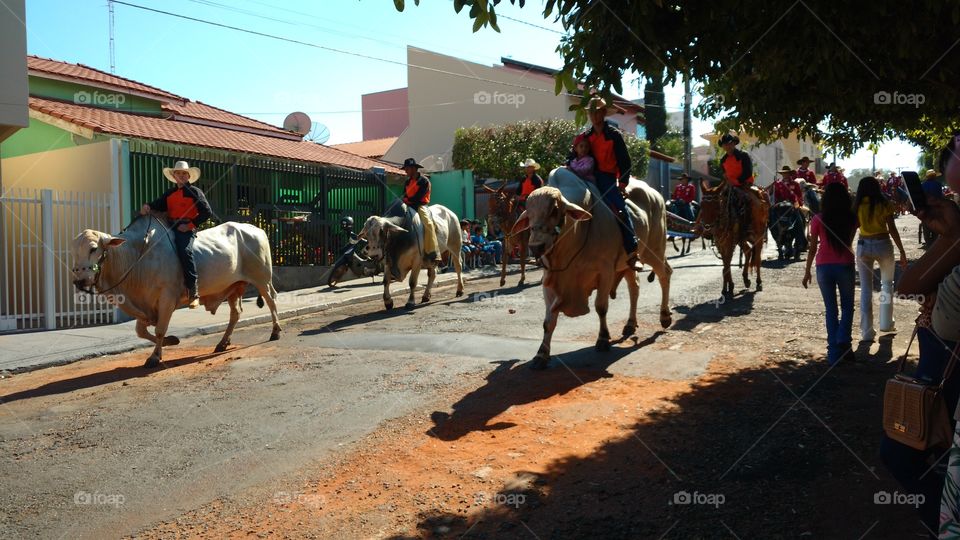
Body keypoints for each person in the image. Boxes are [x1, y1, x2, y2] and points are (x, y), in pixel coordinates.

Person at [888, 137, 960, 537]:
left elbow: (912, 286)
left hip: (948, 360)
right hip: (941, 357)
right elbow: (911, 284)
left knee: (904, 451)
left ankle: (942, 521)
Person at [140, 160, 213, 309]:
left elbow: (207, 212)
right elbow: (158, 204)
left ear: (188, 176)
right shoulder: (170, 193)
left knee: (184, 252)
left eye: (183, 173)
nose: (181, 175)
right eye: (178, 173)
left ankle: (193, 292)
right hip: (169, 225)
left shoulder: (195, 191)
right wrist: (147, 205)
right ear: (174, 176)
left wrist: (189, 226)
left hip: (185, 228)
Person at [576, 95, 639, 265]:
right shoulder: (584, 136)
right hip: (585, 176)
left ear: (604, 113)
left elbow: (625, 161)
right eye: (591, 112)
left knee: (620, 209)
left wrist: (622, 184)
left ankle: (632, 250)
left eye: (597, 112)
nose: (593, 115)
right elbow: (573, 154)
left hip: (606, 178)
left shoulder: (614, 135)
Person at [802, 183, 858, 366]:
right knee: (848, 307)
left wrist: (807, 271)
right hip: (845, 264)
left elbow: (812, 249)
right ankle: (843, 338)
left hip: (823, 267)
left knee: (831, 310)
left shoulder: (818, 219)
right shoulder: (851, 218)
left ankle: (833, 353)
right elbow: (848, 241)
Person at [853, 176, 908, 342]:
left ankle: (867, 332)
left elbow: (853, 228)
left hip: (863, 245)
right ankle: (886, 324)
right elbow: (892, 229)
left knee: (865, 289)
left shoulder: (857, 206)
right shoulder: (884, 204)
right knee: (886, 284)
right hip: (883, 244)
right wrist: (902, 250)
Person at [718, 133, 764, 237]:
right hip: (730, 186)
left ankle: (754, 224)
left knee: (752, 201)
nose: (727, 146)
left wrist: (736, 181)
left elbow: (748, 172)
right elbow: (724, 175)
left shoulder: (744, 155)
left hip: (745, 184)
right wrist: (727, 182)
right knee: (716, 201)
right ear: (723, 146)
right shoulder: (723, 160)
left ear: (734, 143)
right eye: (725, 144)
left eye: (729, 144)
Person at [401, 158, 441, 264]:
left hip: (420, 206)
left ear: (414, 168)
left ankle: (433, 252)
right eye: (405, 169)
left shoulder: (424, 181)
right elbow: (404, 194)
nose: (405, 171)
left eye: (407, 169)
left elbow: (419, 197)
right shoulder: (407, 182)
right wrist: (404, 200)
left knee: (428, 224)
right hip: (408, 205)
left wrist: (407, 200)